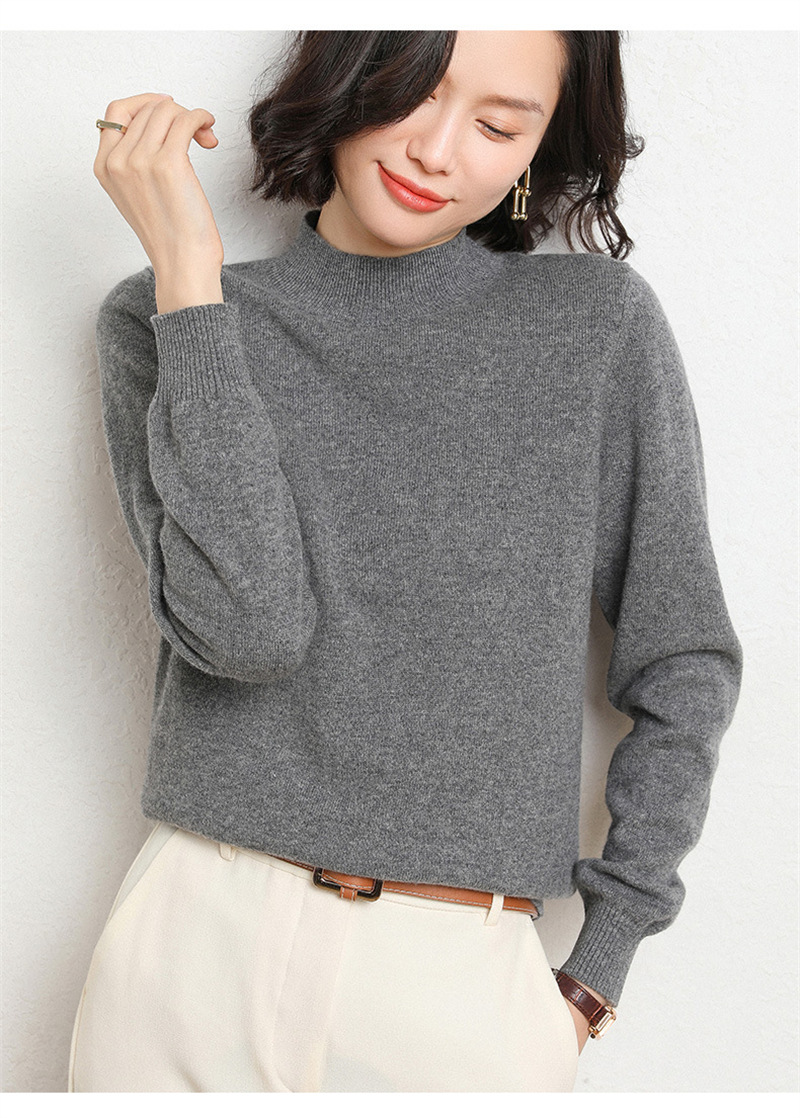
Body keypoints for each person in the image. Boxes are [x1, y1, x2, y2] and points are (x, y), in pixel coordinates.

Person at [68, 30, 743, 1092]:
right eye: (417, 91)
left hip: (452, 990)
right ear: (348, 75)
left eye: (497, 125)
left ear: (536, 151)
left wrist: (597, 969)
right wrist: (188, 281)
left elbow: (684, 660)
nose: (437, 150)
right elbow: (246, 633)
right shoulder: (168, 322)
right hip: (190, 941)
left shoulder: (593, 329)